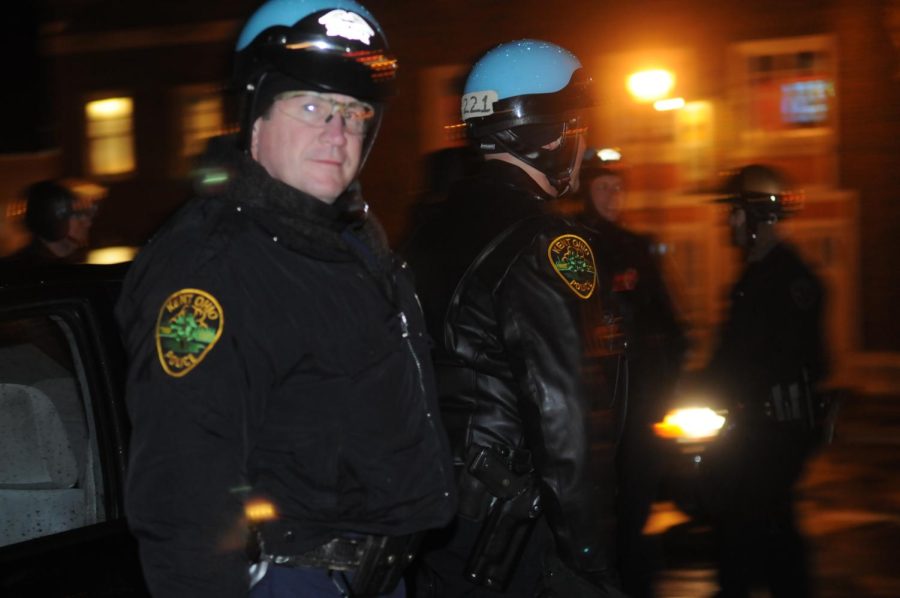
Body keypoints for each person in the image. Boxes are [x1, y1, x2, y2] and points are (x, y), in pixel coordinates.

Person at [115, 1, 457, 596]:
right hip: (293, 579)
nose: (338, 132)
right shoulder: (212, 266)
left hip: (374, 575)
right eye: (311, 107)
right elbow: (184, 491)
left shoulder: (345, 246)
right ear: (254, 119)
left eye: (354, 113)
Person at [403, 40, 627, 597]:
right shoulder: (546, 243)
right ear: (548, 135)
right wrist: (588, 551)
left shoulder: (423, 231)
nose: (582, 143)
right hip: (517, 532)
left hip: (441, 513)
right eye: (575, 127)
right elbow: (562, 411)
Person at [698, 164, 827, 597]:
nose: (729, 222)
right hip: (761, 430)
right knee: (769, 534)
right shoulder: (761, 274)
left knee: (746, 534)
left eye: (735, 213)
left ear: (756, 217)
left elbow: (762, 357)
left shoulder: (784, 278)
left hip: (772, 432)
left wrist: (709, 385)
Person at [576, 155, 686, 598]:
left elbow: (668, 319)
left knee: (636, 505)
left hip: (638, 399)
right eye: (603, 188)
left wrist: (668, 385)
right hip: (593, 406)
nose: (612, 197)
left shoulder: (637, 246)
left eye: (617, 188)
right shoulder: (574, 245)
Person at [4, 179, 96, 265]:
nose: (87, 223)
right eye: (77, 215)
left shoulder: (79, 262)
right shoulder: (16, 269)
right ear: (51, 219)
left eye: (86, 214)